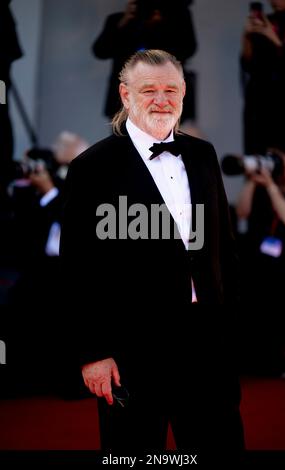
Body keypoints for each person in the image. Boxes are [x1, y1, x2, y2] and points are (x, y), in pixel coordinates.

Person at [60, 49, 244, 461]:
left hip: (207, 345)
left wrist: (230, 327)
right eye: (149, 90)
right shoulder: (92, 167)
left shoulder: (203, 155)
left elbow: (224, 250)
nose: (162, 99)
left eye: (171, 90)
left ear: (183, 93)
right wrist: (92, 353)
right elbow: (76, 270)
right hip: (132, 351)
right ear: (125, 95)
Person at [236, 147, 285, 375]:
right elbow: (242, 212)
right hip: (261, 271)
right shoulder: (261, 192)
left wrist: (273, 187)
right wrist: (252, 181)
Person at [92, 0, 197, 123]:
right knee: (124, 140)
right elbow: (100, 51)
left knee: (168, 140)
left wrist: (162, 25)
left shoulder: (177, 19)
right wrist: (123, 23)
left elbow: (188, 49)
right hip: (125, 104)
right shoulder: (119, 21)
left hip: (166, 102)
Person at [240, 0, 285, 157]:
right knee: (257, 157)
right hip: (260, 103)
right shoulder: (265, 21)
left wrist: (273, 38)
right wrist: (246, 36)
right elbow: (248, 64)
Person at [0, 0, 23, 189]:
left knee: (0, 111)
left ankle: (3, 166)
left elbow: (12, 52)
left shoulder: (3, 13)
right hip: (1, 81)